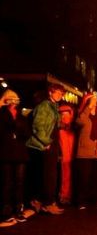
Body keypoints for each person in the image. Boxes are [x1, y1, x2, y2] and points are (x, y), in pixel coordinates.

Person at [26, 83, 65, 215]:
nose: (60, 95)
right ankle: (46, 203)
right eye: (57, 92)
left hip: (51, 143)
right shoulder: (44, 106)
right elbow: (38, 126)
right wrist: (46, 142)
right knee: (48, 175)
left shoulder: (54, 106)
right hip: (45, 145)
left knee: (50, 174)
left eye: (61, 93)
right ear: (50, 92)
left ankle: (46, 201)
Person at [0, 90, 32, 227]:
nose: (13, 101)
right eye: (10, 98)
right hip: (6, 153)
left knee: (19, 182)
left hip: (20, 153)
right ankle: (6, 212)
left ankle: (18, 209)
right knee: (7, 183)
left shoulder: (21, 115)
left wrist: (17, 130)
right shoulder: (1, 114)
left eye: (15, 98)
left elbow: (27, 132)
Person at [58, 104, 75, 205]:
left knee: (70, 177)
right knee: (64, 177)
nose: (65, 117)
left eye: (67, 114)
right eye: (62, 114)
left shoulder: (73, 129)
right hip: (64, 158)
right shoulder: (59, 129)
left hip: (72, 157)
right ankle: (64, 196)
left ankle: (69, 195)